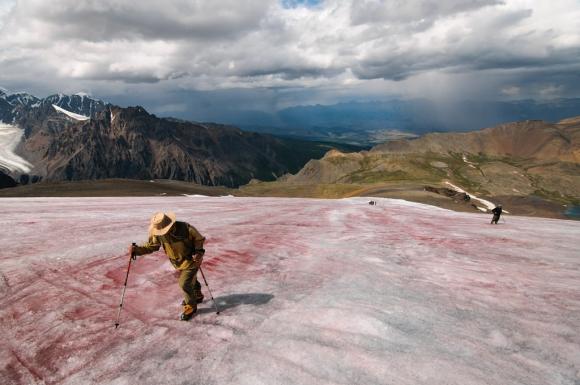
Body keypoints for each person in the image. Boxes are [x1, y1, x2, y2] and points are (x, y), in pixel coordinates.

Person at [129, 212, 206, 320]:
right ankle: (197, 295)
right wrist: (136, 250)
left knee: (184, 283)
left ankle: (191, 307)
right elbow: (152, 246)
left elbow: (199, 239)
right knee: (190, 279)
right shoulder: (158, 234)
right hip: (177, 262)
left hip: (191, 260)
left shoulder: (186, 228)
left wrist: (198, 252)